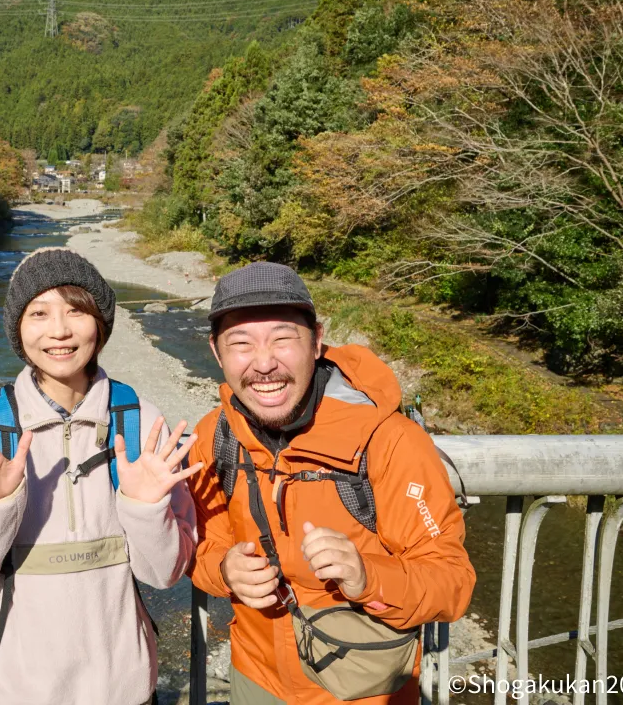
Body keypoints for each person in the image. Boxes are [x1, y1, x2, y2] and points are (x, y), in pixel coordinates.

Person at [186, 262, 475, 704]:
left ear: (317, 341)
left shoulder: (389, 440)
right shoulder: (216, 435)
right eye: (241, 344)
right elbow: (201, 550)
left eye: (283, 339)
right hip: (255, 680)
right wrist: (225, 571)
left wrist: (368, 578)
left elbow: (452, 582)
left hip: (363, 689)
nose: (264, 363)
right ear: (216, 352)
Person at [0, 247, 199, 705]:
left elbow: (165, 574)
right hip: (5, 689)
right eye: (39, 313)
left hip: (119, 689)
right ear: (18, 328)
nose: (59, 331)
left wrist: (146, 508)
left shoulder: (139, 420)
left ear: (101, 324)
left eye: (76, 311)